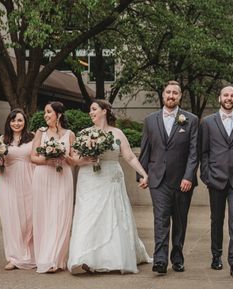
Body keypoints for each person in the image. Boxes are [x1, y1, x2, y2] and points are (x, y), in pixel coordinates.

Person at [67, 100, 151, 274]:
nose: (90, 112)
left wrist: (144, 174)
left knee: (112, 215)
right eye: (90, 110)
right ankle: (83, 258)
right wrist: (83, 160)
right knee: (87, 216)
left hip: (111, 178)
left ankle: (113, 258)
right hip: (89, 178)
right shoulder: (84, 133)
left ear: (105, 111)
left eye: (94, 109)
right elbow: (72, 158)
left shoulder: (117, 133)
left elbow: (130, 157)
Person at [139, 81, 199, 274]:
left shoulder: (191, 120)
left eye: (175, 93)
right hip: (158, 179)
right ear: (163, 95)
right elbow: (145, 150)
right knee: (161, 218)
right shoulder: (150, 120)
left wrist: (189, 176)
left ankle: (177, 257)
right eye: (168, 92)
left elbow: (193, 152)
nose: (171, 95)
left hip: (182, 180)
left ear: (180, 96)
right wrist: (141, 175)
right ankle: (160, 260)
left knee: (180, 220)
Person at [199, 86, 233, 279]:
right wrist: (206, 175)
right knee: (217, 219)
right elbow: (203, 152)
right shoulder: (207, 123)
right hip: (215, 178)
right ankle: (216, 255)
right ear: (219, 97)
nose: (229, 98)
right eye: (226, 95)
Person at [31, 102, 75, 273]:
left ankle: (56, 257)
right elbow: (33, 157)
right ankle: (45, 257)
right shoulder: (40, 133)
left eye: (48, 112)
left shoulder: (70, 135)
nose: (45, 115)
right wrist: (49, 160)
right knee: (44, 215)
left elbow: (74, 160)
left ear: (59, 115)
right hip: (43, 177)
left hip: (63, 177)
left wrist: (64, 157)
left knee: (60, 215)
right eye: (45, 112)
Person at [0, 108, 36, 271]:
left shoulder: (33, 137)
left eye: (20, 120)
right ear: (9, 122)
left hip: (29, 180)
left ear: (25, 122)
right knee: (11, 220)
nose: (16, 123)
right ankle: (14, 257)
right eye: (13, 120)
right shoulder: (2, 139)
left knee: (29, 219)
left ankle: (32, 254)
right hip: (8, 182)